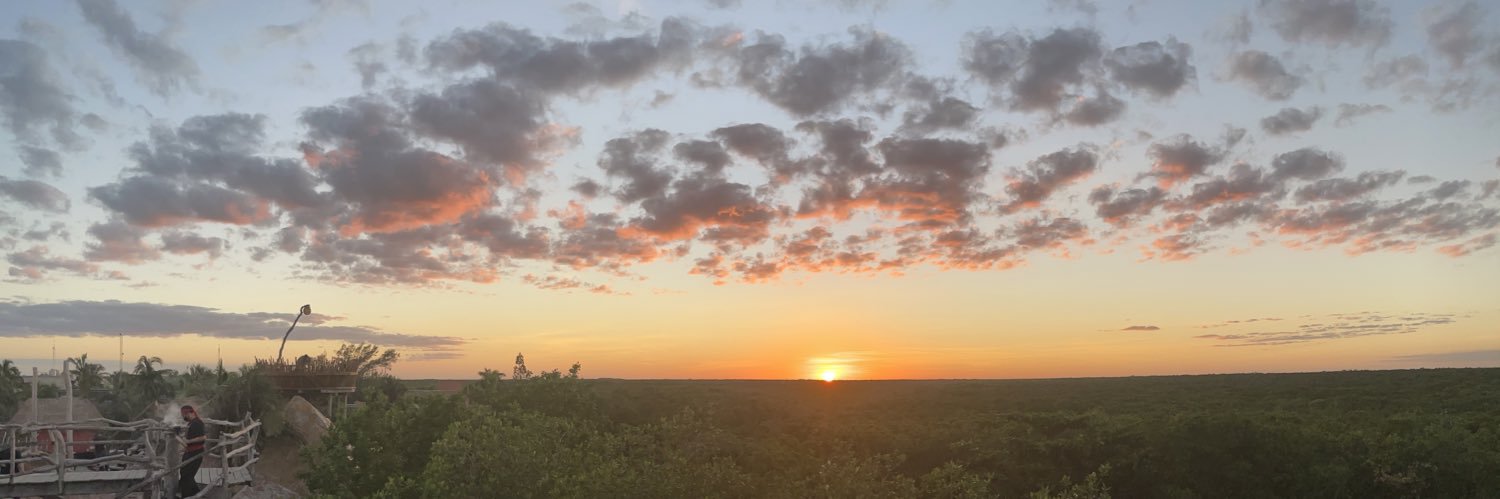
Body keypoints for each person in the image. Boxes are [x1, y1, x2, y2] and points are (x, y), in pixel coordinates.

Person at [177, 405, 206, 497]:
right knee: (184, 474)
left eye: (184, 415)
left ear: (189, 413)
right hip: (189, 452)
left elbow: (203, 437)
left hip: (196, 452)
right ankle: (196, 494)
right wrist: (177, 434)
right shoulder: (191, 423)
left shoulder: (198, 423)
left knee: (187, 476)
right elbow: (187, 441)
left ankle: (188, 496)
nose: (183, 417)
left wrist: (189, 441)